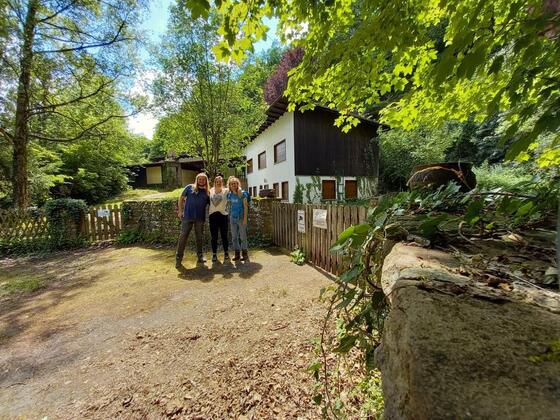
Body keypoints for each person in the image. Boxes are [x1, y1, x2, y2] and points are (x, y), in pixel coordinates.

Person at [176, 172, 210, 268]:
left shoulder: (207, 192)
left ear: (206, 181)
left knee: (199, 237)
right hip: (187, 216)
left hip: (200, 218)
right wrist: (180, 211)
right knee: (183, 237)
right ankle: (178, 259)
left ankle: (200, 257)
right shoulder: (189, 187)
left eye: (203, 179)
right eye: (200, 179)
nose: (201, 181)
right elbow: (181, 198)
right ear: (197, 180)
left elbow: (213, 204)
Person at [226, 177, 249, 261]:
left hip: (241, 217)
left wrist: (245, 219)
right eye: (231, 184)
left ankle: (245, 254)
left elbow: (245, 207)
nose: (233, 185)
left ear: (237, 184)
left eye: (235, 183)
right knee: (234, 237)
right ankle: (237, 254)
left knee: (242, 236)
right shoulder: (229, 194)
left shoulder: (243, 194)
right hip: (233, 218)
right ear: (229, 185)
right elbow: (229, 205)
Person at [209, 175, 229, 262]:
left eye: (220, 181)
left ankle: (226, 253)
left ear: (222, 182)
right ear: (214, 182)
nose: (218, 183)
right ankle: (214, 254)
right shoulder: (210, 190)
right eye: (217, 181)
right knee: (214, 237)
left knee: (224, 236)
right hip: (212, 216)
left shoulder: (226, 190)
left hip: (223, 216)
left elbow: (236, 189)